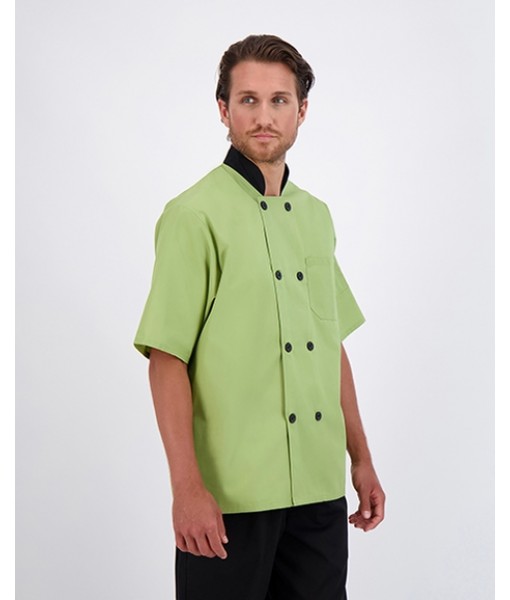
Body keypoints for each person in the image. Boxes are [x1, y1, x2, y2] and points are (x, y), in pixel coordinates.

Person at [134, 34, 385, 600]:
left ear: (302, 111)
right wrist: (186, 488)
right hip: (230, 499)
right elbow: (166, 357)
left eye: (279, 100)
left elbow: (330, 345)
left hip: (319, 494)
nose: (264, 116)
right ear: (224, 109)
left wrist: (362, 459)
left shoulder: (317, 217)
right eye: (248, 99)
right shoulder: (193, 215)